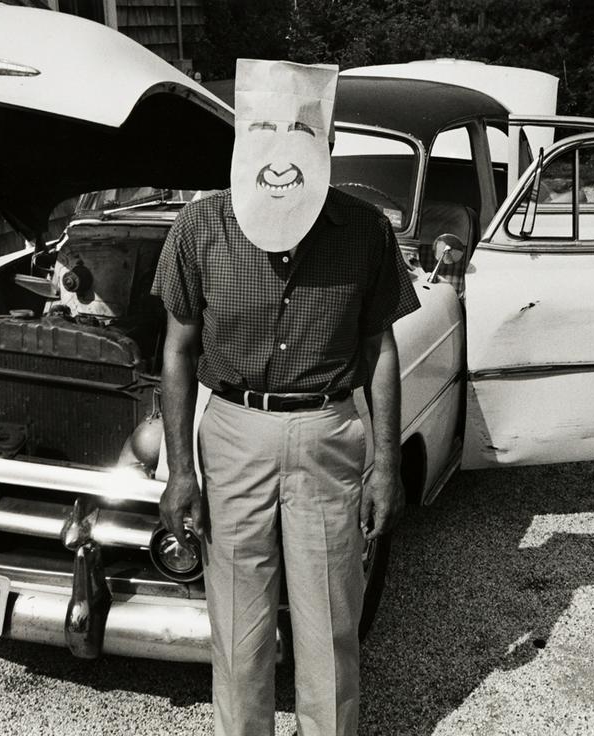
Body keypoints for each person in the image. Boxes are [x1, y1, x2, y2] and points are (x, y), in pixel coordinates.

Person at [151, 58, 420, 736]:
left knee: (330, 624)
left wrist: (386, 464)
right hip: (235, 431)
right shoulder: (201, 228)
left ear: (325, 144)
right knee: (239, 629)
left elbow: (379, 349)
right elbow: (177, 351)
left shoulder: (364, 231)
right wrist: (181, 469)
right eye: (266, 131)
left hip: (329, 431)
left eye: (303, 132)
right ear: (245, 139)